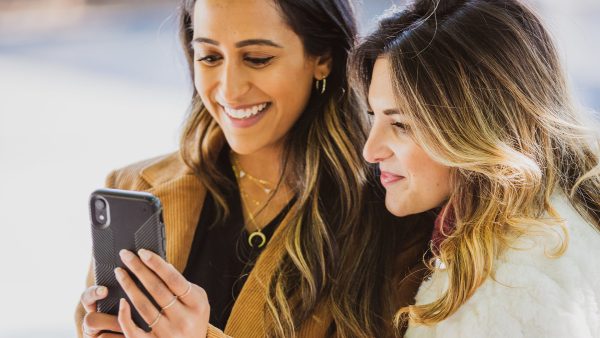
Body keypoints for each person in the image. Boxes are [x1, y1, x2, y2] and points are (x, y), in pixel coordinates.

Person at [75, 0, 435, 337]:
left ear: (322, 57)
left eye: (258, 58)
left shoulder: (393, 213)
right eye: (210, 57)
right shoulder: (136, 186)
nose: (230, 89)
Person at [351, 0, 600, 337]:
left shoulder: (518, 287)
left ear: (478, 127)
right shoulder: (510, 235)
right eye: (373, 116)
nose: (371, 150)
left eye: (402, 125)